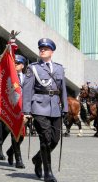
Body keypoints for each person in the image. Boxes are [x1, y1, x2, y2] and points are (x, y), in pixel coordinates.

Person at [23, 38, 68, 182]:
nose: (42, 50)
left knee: (55, 139)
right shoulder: (33, 68)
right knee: (46, 139)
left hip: (55, 107)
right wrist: (26, 111)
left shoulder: (59, 68)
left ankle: (38, 158)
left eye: (46, 49)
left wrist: (65, 107)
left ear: (52, 52)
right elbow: (27, 90)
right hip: (39, 107)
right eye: (41, 48)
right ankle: (48, 172)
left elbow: (63, 89)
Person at [6, 54, 26, 169]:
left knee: (22, 136)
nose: (15, 65)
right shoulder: (9, 77)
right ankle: (18, 159)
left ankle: (10, 151)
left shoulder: (27, 77)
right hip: (13, 109)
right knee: (15, 135)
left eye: (17, 63)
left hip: (24, 109)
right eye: (14, 63)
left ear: (22, 65)